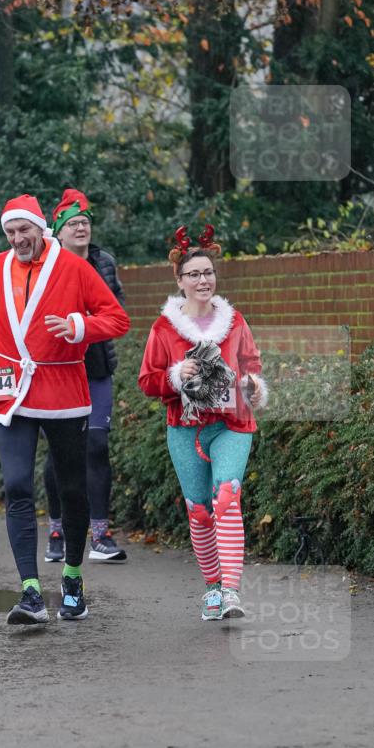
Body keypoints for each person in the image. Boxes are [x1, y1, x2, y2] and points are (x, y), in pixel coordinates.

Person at [0, 194, 130, 625]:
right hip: (11, 389)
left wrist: (79, 326)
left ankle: (73, 580)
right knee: (18, 487)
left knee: (72, 489)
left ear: (42, 228)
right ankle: (31, 592)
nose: (18, 238)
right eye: (10, 232)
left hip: (63, 388)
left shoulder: (76, 268)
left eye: (25, 230)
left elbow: (116, 319)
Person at [138, 225, 268, 620]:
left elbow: (252, 367)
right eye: (193, 274)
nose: (202, 280)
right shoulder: (163, 329)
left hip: (231, 424)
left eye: (208, 272)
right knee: (199, 509)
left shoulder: (235, 322)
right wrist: (177, 375)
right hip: (185, 427)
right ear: (179, 281)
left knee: (227, 498)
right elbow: (147, 381)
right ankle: (212, 587)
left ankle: (231, 592)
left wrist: (252, 386)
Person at [43, 188, 127, 565]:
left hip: (95, 368)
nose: (81, 228)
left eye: (85, 222)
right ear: (58, 231)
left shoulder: (103, 262)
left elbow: (117, 311)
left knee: (96, 447)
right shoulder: (47, 264)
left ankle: (99, 533)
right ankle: (57, 529)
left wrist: (85, 324)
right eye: (73, 223)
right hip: (58, 369)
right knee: (60, 451)